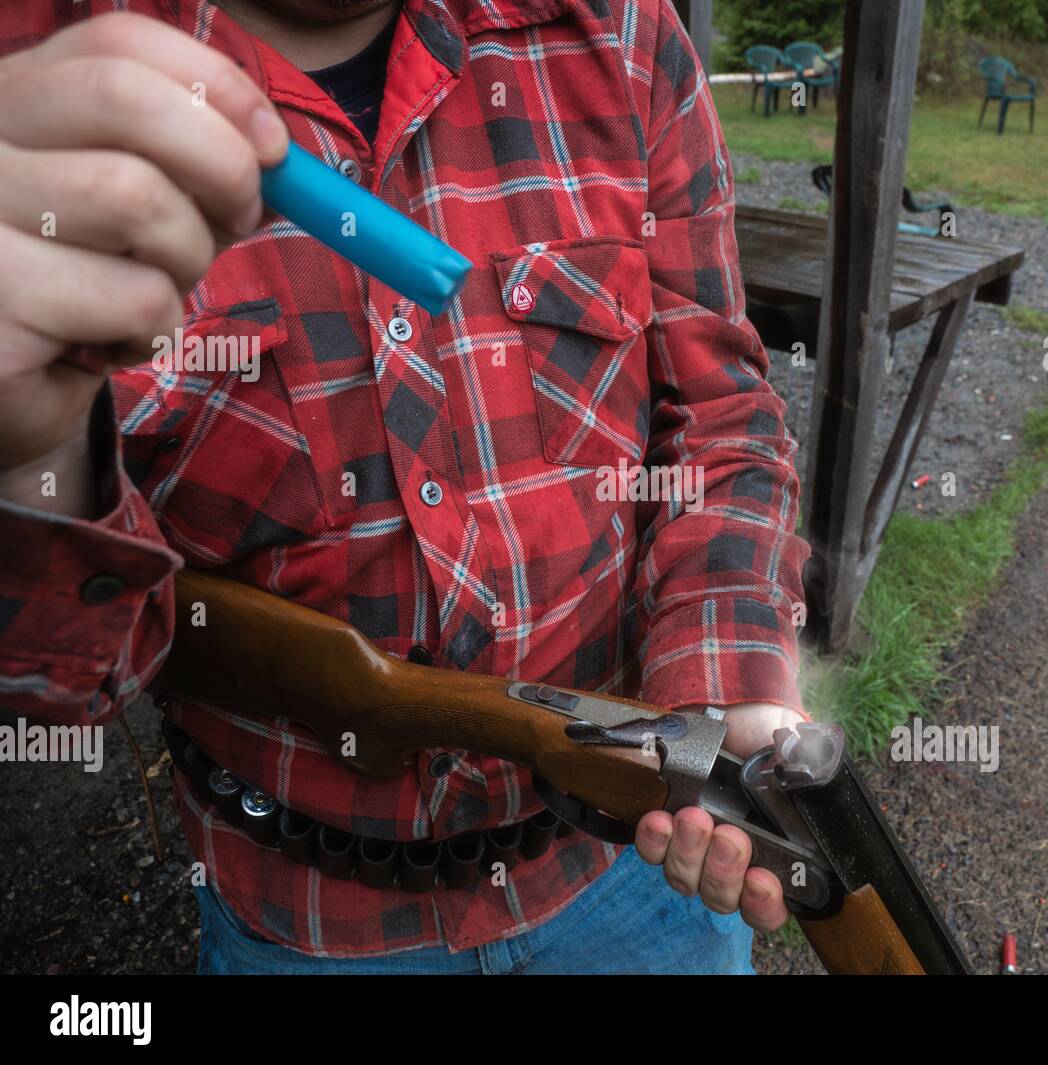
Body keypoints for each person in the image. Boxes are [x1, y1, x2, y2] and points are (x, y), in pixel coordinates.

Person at [0, 0, 810, 974]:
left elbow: (720, 416)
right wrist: (27, 457)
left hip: (631, 876)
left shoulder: (620, 35)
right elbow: (49, 678)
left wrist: (720, 710)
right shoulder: (28, 69)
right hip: (301, 920)